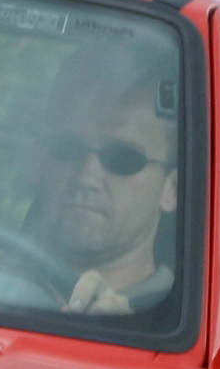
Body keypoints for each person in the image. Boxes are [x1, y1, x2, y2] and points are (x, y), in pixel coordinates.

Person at [24, 42, 180, 317]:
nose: (87, 176)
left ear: (172, 189)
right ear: (39, 161)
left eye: (123, 158)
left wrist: (126, 328)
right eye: (67, 148)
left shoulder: (187, 322)